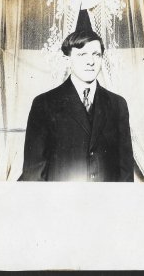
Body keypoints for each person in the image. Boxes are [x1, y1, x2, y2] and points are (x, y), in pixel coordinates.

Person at [18, 31, 134, 181]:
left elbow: (126, 170)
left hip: (106, 202)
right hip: (62, 202)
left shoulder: (118, 104)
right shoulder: (44, 103)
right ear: (68, 60)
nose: (90, 61)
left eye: (96, 54)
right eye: (82, 55)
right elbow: (34, 172)